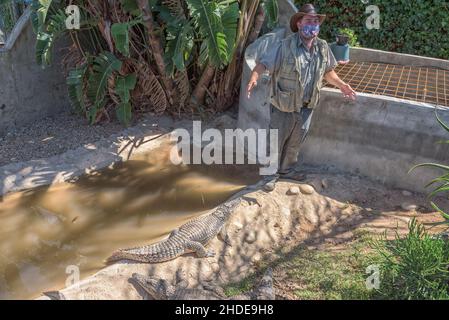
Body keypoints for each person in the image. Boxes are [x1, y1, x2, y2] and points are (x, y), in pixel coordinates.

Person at [246, 3, 356, 191]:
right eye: (308, 21)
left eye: (315, 22)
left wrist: (342, 85)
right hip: (283, 105)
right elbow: (263, 64)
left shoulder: (322, 47)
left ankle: (287, 170)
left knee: (295, 142)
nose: (313, 25)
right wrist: (254, 78)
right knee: (276, 140)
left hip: (306, 106)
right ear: (299, 23)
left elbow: (328, 72)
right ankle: (269, 176)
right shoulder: (285, 45)